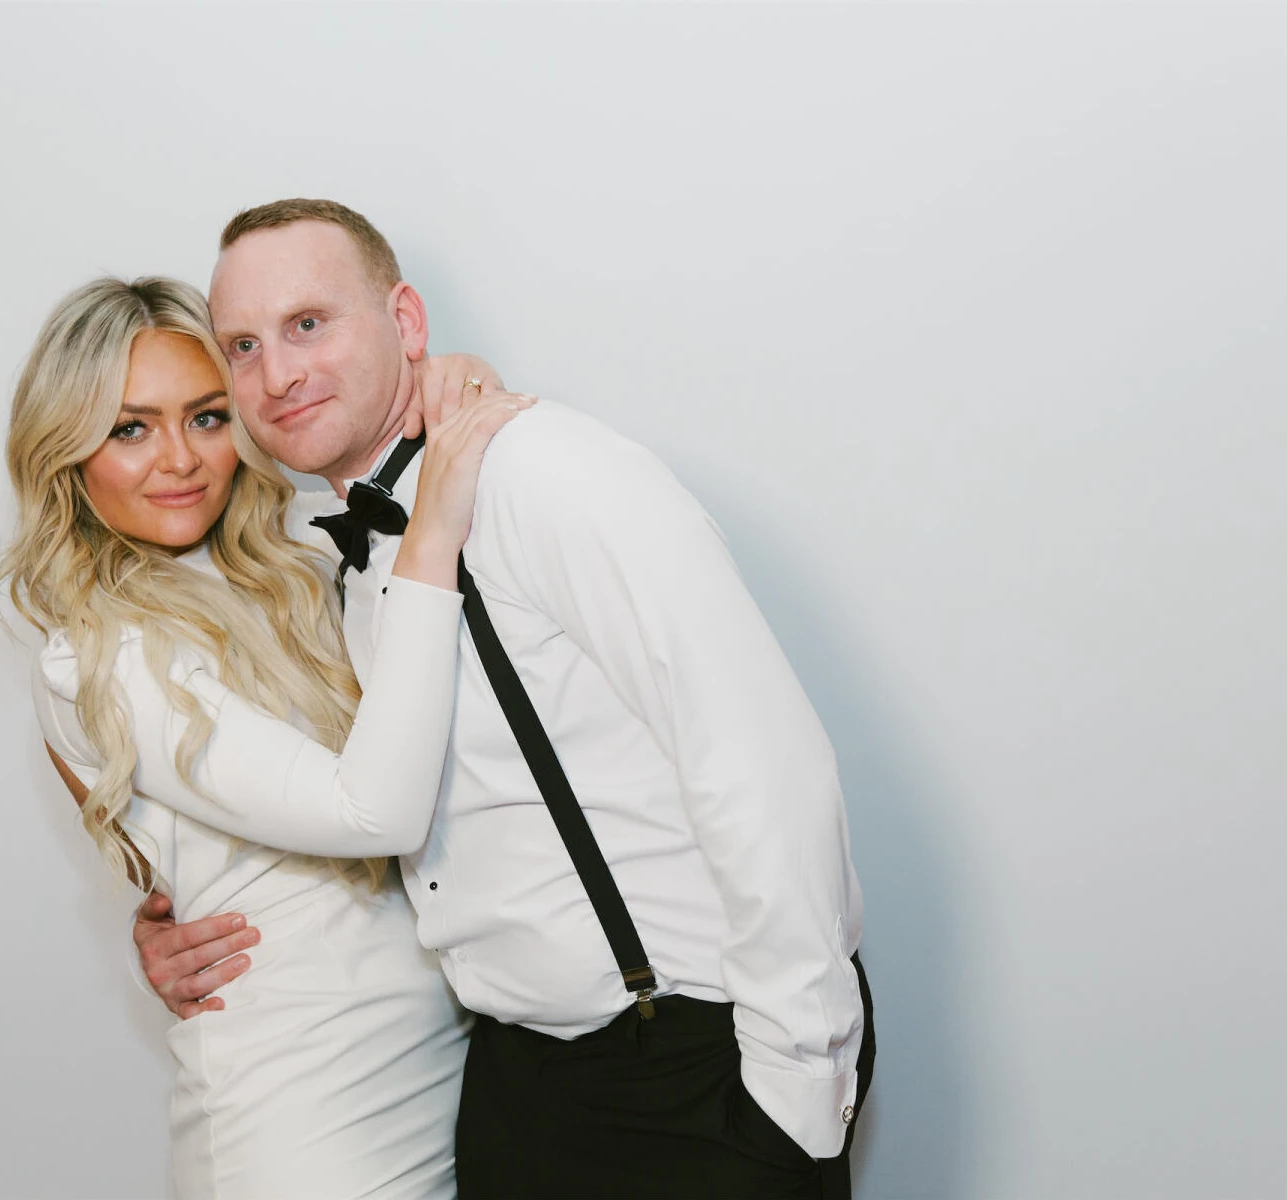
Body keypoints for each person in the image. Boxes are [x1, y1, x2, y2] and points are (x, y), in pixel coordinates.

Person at [135, 199, 876, 1199]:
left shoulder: (548, 475)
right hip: (512, 1083)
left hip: (691, 1058)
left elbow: (758, 757)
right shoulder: (327, 558)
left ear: (405, 322)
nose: (279, 373)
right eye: (245, 345)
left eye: (310, 324)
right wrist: (172, 904)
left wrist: (796, 1083)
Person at [0, 273, 532, 1198]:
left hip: (455, 1067)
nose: (179, 459)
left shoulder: (305, 564)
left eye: (205, 416)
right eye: (130, 427)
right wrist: (433, 528)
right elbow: (371, 817)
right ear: (65, 454)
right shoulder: (93, 661)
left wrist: (455, 385)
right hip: (303, 1123)